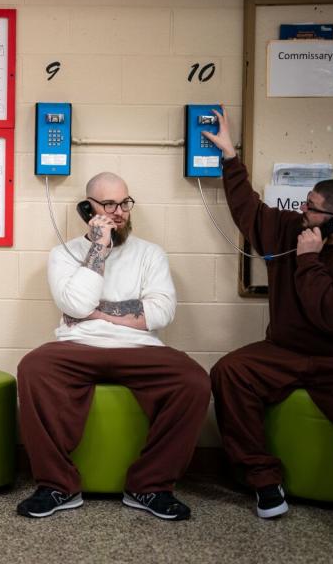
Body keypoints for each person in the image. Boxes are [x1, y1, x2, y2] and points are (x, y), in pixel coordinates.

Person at [204, 107, 333, 545]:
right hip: (283, 351)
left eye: (311, 207)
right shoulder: (292, 228)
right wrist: (229, 156)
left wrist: (310, 261)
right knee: (229, 371)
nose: (300, 210)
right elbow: (249, 211)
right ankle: (263, 481)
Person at [16, 172, 210, 520]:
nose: (119, 212)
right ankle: (57, 485)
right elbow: (75, 307)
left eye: (124, 203)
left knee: (193, 380)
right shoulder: (64, 253)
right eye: (108, 204)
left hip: (139, 347)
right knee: (34, 368)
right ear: (86, 209)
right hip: (77, 345)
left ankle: (149, 486)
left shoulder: (151, 254)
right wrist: (99, 248)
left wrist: (102, 315)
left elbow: (162, 311)